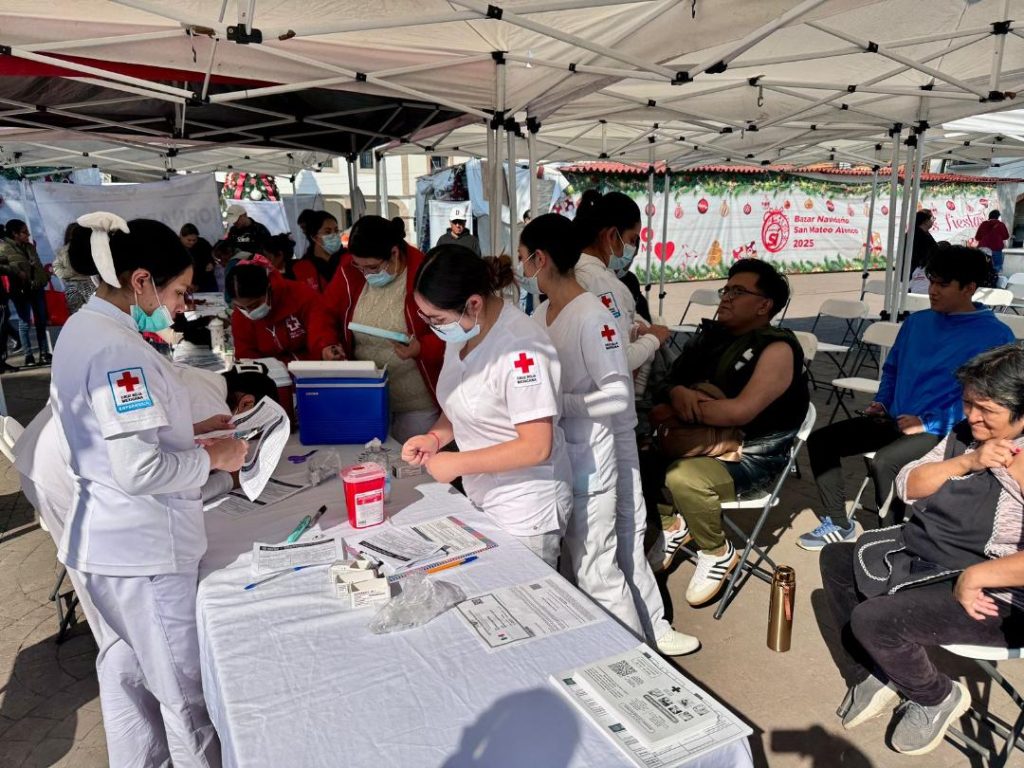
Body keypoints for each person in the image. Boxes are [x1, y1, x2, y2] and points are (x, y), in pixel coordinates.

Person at [51, 211, 247, 767]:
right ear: (141, 281)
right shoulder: (119, 353)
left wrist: (192, 429)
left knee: (128, 674)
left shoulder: (85, 330)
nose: (183, 306)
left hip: (108, 547)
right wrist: (215, 458)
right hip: (142, 554)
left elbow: (120, 435)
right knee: (186, 698)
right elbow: (138, 470)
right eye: (180, 291)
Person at [820, 344, 1024, 756]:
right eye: (968, 403)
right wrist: (968, 462)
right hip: (934, 556)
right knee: (838, 559)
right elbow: (907, 485)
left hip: (999, 595)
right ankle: (869, 674)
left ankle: (935, 696)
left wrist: (978, 575)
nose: (972, 416)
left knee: (874, 620)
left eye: (986, 409)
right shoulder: (966, 436)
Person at [799, 245, 1016, 550]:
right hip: (896, 418)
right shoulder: (917, 323)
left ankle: (888, 541)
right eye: (931, 282)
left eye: (943, 284)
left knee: (885, 463)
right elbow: (892, 369)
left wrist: (927, 424)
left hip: (945, 430)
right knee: (822, 440)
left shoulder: (996, 335)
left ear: (969, 288)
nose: (932, 291)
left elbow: (988, 401)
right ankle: (838, 523)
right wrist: (883, 402)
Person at [644, 259, 809, 605]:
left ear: (764, 306)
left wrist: (680, 405)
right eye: (726, 289)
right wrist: (679, 392)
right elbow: (666, 383)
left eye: (738, 291)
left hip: (751, 455)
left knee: (682, 477)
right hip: (700, 439)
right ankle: (674, 526)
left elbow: (739, 411)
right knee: (632, 456)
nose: (726, 297)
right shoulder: (712, 337)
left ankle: (717, 550)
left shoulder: (776, 348)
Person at [571, 190, 691, 654]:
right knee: (623, 526)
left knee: (595, 536)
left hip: (586, 422)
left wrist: (634, 330)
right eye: (633, 238)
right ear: (611, 236)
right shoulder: (602, 286)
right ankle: (646, 631)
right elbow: (617, 358)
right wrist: (654, 338)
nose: (633, 247)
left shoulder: (571, 284)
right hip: (609, 421)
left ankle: (641, 625)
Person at [520, 213, 649, 641]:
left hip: (592, 462)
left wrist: (556, 403)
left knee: (597, 571)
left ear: (540, 259)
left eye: (522, 257)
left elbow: (617, 396)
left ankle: (638, 659)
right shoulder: (541, 314)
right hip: (556, 459)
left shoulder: (594, 317)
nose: (520, 268)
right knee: (570, 571)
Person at [400, 245, 572, 566]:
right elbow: (463, 403)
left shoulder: (522, 349)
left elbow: (536, 446)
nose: (432, 327)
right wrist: (435, 438)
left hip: (526, 506)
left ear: (474, 303)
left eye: (437, 319)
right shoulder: (462, 332)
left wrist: (456, 463)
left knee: (522, 592)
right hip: (483, 495)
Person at [310, 215, 442, 442]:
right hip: (367, 395)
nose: (366, 274)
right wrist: (326, 344)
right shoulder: (350, 269)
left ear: (394, 253)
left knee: (411, 459)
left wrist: (422, 347)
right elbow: (323, 312)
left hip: (417, 401)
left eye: (372, 267)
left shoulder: (425, 273)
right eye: (359, 267)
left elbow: (451, 331)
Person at [228, 261, 321, 364]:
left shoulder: (302, 296)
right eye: (241, 307)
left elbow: (321, 338)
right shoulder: (239, 316)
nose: (249, 312)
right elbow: (246, 355)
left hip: (312, 365)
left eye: (253, 305)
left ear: (268, 289)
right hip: (271, 370)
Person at [1, 219, 50, 365]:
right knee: (24, 323)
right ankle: (29, 356)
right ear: (14, 234)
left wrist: (45, 276)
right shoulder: (4, 247)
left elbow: (38, 266)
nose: (28, 234)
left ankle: (44, 353)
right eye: (24, 232)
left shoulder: (30, 247)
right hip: (20, 290)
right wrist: (16, 271)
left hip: (36, 288)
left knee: (41, 321)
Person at [52, 221, 97, 315]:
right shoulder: (63, 251)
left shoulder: (90, 248)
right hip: (72, 285)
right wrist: (71, 272)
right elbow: (56, 268)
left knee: (93, 312)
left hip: (89, 284)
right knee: (76, 313)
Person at [294, 210, 343, 292]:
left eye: (336, 231)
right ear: (314, 237)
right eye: (328, 232)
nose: (334, 235)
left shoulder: (348, 259)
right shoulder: (301, 267)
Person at [906, 210, 938, 293]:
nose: (933, 221)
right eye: (932, 218)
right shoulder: (916, 235)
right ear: (925, 221)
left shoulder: (924, 233)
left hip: (919, 271)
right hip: (916, 272)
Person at [180, 223, 218, 292]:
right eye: (189, 240)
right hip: (183, 283)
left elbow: (214, 255)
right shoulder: (175, 246)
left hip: (205, 281)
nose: (192, 242)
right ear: (181, 237)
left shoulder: (202, 243)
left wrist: (212, 263)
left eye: (194, 240)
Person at [975, 209, 1011, 275]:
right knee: (997, 267)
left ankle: (982, 279)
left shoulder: (983, 224)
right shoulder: (1001, 225)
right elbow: (1006, 236)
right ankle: (995, 279)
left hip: (983, 248)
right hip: (996, 248)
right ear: (998, 217)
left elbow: (977, 237)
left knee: (982, 266)